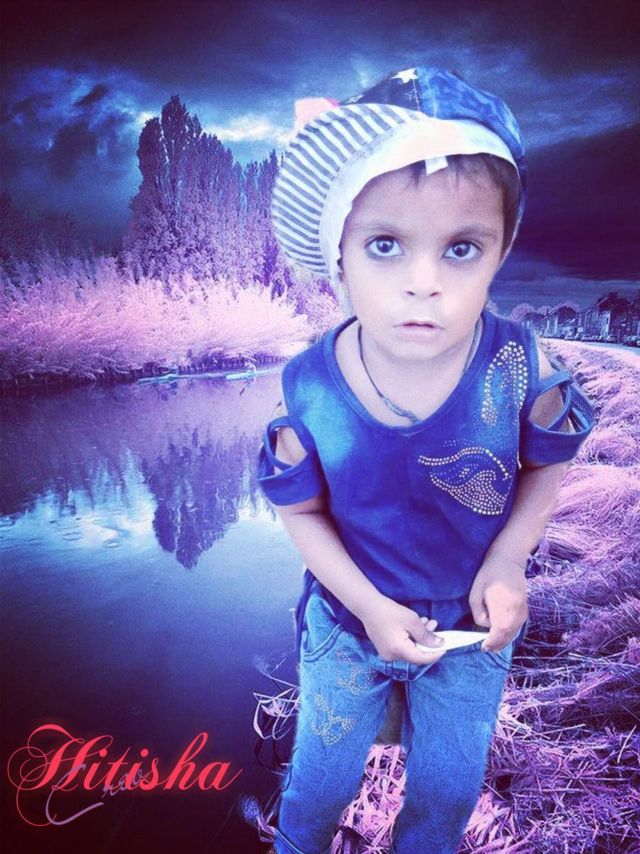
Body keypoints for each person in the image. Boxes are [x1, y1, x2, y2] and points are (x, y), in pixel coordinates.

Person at [257, 66, 595, 854]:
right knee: (319, 784)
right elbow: (301, 512)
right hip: (349, 623)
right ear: (338, 253)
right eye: (385, 245)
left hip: (471, 633)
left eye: (461, 248)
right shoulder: (311, 387)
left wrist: (507, 560)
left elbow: (544, 464)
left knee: (446, 790)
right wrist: (370, 607)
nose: (423, 283)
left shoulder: (517, 367)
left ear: (501, 250)